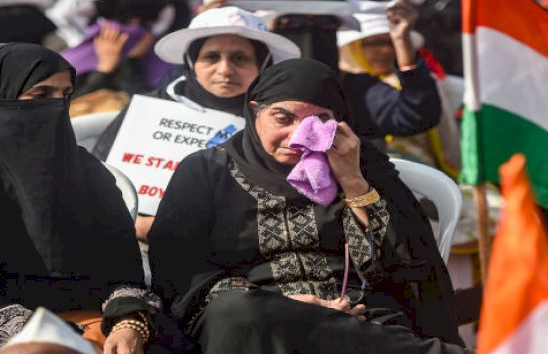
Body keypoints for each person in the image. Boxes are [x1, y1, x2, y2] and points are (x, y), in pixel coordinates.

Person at [148, 58, 467, 353]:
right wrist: (287, 307)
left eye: (319, 121)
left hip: (355, 314)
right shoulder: (207, 169)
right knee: (238, 314)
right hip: (253, 317)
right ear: (255, 110)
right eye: (283, 118)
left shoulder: (364, 167)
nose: (299, 135)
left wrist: (353, 181)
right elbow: (180, 270)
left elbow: (399, 270)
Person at [0, 43, 162, 352]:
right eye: (40, 96)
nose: (57, 106)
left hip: (95, 321)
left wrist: (128, 323)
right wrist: (47, 337)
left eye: (65, 95)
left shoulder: (86, 171)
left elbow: (124, 271)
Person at [93, 6, 301, 242]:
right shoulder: (147, 108)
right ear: (192, 62)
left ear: (262, 65)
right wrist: (135, 223)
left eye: (240, 58)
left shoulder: (281, 121)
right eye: (211, 57)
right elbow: (99, 178)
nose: (225, 70)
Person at [337, 0, 442, 152]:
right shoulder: (347, 84)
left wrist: (402, 39)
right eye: (375, 43)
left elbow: (416, 115)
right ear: (351, 47)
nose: (386, 50)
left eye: (390, 42)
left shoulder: (368, 87)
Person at [61, 0, 173, 98]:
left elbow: (147, 103)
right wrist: (105, 69)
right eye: (125, 22)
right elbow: (71, 109)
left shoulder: (167, 71)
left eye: (144, 24)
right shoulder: (65, 70)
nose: (134, 30)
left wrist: (131, 61)